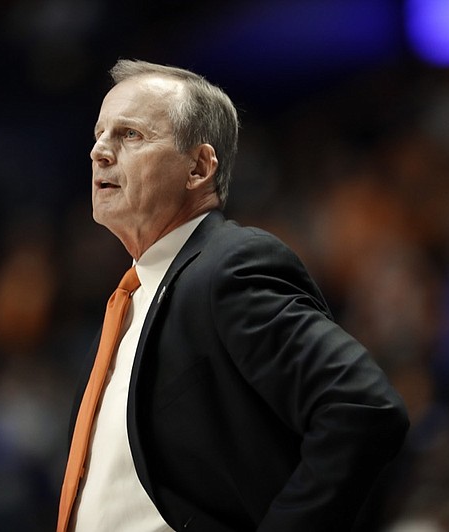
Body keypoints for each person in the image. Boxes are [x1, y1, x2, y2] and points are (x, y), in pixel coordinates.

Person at [57, 59, 409, 531]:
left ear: (199, 167)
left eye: (131, 135)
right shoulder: (134, 299)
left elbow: (363, 408)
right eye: (100, 133)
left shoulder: (230, 265)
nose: (100, 151)